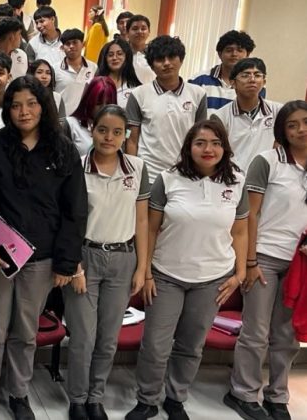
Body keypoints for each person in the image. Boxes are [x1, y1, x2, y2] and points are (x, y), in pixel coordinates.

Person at [0, 76, 87, 420]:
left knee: (25, 331)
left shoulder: (63, 149)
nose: (24, 112)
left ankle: (18, 393)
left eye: (32, 104)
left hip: (43, 257)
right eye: (16, 105)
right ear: (7, 109)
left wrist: (67, 262)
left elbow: (75, 209)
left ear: (44, 106)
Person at [126, 119, 248, 420]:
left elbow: (241, 232)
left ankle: (176, 397)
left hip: (213, 279)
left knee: (191, 345)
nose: (208, 149)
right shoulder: (168, 179)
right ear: (188, 147)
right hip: (166, 274)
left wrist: (240, 273)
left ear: (225, 147)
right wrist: (148, 272)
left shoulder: (236, 181)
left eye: (216, 143)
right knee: (155, 344)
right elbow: (150, 230)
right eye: (200, 143)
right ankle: (147, 399)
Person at [64, 105, 150, 420]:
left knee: (108, 336)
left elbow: (142, 221)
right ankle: (77, 399)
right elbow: (67, 220)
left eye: (117, 131)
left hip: (123, 257)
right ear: (91, 129)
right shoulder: (77, 166)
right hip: (84, 258)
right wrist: (73, 265)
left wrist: (142, 267)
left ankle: (95, 397)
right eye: (102, 130)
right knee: (83, 336)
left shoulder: (138, 168)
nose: (109, 137)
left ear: (126, 134)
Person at [224, 101, 307, 420]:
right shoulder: (267, 161)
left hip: (299, 263)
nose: (301, 129)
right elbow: (250, 213)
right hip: (264, 259)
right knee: (256, 331)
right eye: (293, 125)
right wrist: (250, 259)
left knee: (287, 334)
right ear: (282, 131)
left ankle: (277, 395)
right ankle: (242, 393)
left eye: (305, 122)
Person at [126, 35, 207, 184]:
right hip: (148, 174)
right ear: (151, 66)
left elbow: (201, 138)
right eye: (160, 59)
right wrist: (133, 172)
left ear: (181, 60)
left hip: (185, 173)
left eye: (171, 57)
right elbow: (132, 140)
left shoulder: (198, 94)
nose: (167, 63)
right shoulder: (138, 94)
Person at [210, 58, 282, 170]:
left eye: (257, 75)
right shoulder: (220, 116)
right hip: (231, 178)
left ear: (264, 82)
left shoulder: (278, 111)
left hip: (266, 178)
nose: (252, 79)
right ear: (233, 83)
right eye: (245, 75)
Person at [191, 30, 257, 110]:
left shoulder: (254, 83)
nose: (234, 54)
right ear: (219, 54)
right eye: (229, 50)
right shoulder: (198, 80)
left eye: (239, 50)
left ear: (247, 55)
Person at [66, 76, 118, 156]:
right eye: (98, 103)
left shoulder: (117, 128)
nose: (103, 108)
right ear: (89, 100)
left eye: (108, 103)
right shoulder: (71, 124)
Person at [55, 29, 98, 114]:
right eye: (67, 44)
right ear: (63, 48)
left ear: (83, 44)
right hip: (62, 119)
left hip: (86, 120)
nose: (71, 46)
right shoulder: (55, 69)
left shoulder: (94, 67)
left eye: (75, 42)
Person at [96, 38, 142, 109]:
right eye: (110, 55)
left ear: (127, 57)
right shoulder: (97, 85)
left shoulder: (136, 88)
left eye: (119, 54)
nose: (114, 58)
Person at [126, 15, 155, 85]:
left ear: (149, 32)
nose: (139, 31)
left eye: (143, 28)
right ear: (127, 33)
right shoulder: (121, 54)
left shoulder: (155, 55)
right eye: (135, 29)